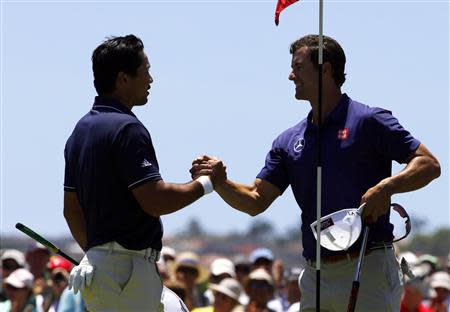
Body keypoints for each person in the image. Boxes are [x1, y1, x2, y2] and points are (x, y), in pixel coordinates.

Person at [191, 34, 441, 311]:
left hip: (367, 266)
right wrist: (220, 183)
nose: (290, 75)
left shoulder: (369, 120)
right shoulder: (287, 140)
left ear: (325, 70)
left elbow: (428, 164)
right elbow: (255, 199)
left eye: (298, 67)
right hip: (314, 274)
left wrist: (387, 187)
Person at [63, 34, 223, 311]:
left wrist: (99, 252)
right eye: (145, 71)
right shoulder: (128, 128)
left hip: (102, 269)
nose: (151, 80)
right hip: (128, 271)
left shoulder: (80, 131)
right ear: (124, 79)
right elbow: (155, 200)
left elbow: (72, 211)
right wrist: (206, 184)